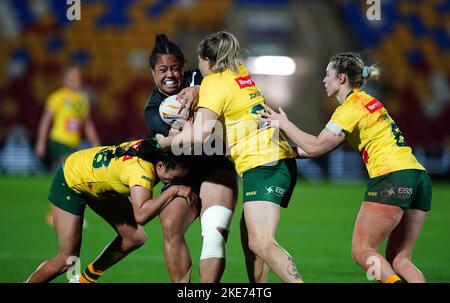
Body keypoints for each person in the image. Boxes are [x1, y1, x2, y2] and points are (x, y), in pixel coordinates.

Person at [261, 52, 432, 283]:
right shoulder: (368, 102)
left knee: (362, 250)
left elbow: (315, 148)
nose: (324, 80)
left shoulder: (349, 109)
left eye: (327, 74)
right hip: (418, 177)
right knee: (400, 260)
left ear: (341, 78)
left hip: (391, 177)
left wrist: (285, 124)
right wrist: (282, 152)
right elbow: (319, 147)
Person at [157, 31, 304, 283]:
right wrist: (198, 88)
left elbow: (201, 134)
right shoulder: (240, 73)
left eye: (200, 62)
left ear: (207, 61)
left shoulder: (214, 82)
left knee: (262, 243)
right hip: (276, 160)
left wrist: (167, 141)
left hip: (262, 165)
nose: (199, 68)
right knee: (251, 240)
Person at [26, 138, 196, 283]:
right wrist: (174, 191)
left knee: (134, 237)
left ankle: (84, 279)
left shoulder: (154, 148)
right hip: (71, 180)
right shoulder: (141, 172)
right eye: (174, 178)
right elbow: (142, 215)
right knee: (67, 261)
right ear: (159, 165)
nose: (175, 182)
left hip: (97, 182)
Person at [144, 33, 238, 283]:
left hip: (216, 165)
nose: (170, 75)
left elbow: (227, 81)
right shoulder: (153, 110)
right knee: (171, 226)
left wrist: (200, 88)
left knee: (215, 231)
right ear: (153, 72)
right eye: (163, 69)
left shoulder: (202, 77)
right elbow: (178, 144)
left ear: (183, 67)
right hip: (183, 174)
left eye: (175, 68)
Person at [35, 65, 101, 225]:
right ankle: (57, 216)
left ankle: (63, 215)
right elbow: (46, 120)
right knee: (66, 177)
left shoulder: (82, 99)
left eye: (78, 77)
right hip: (58, 141)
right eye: (72, 77)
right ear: (65, 79)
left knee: (67, 179)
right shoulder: (57, 97)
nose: (76, 80)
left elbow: (87, 124)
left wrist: (96, 144)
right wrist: (41, 142)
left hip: (73, 145)